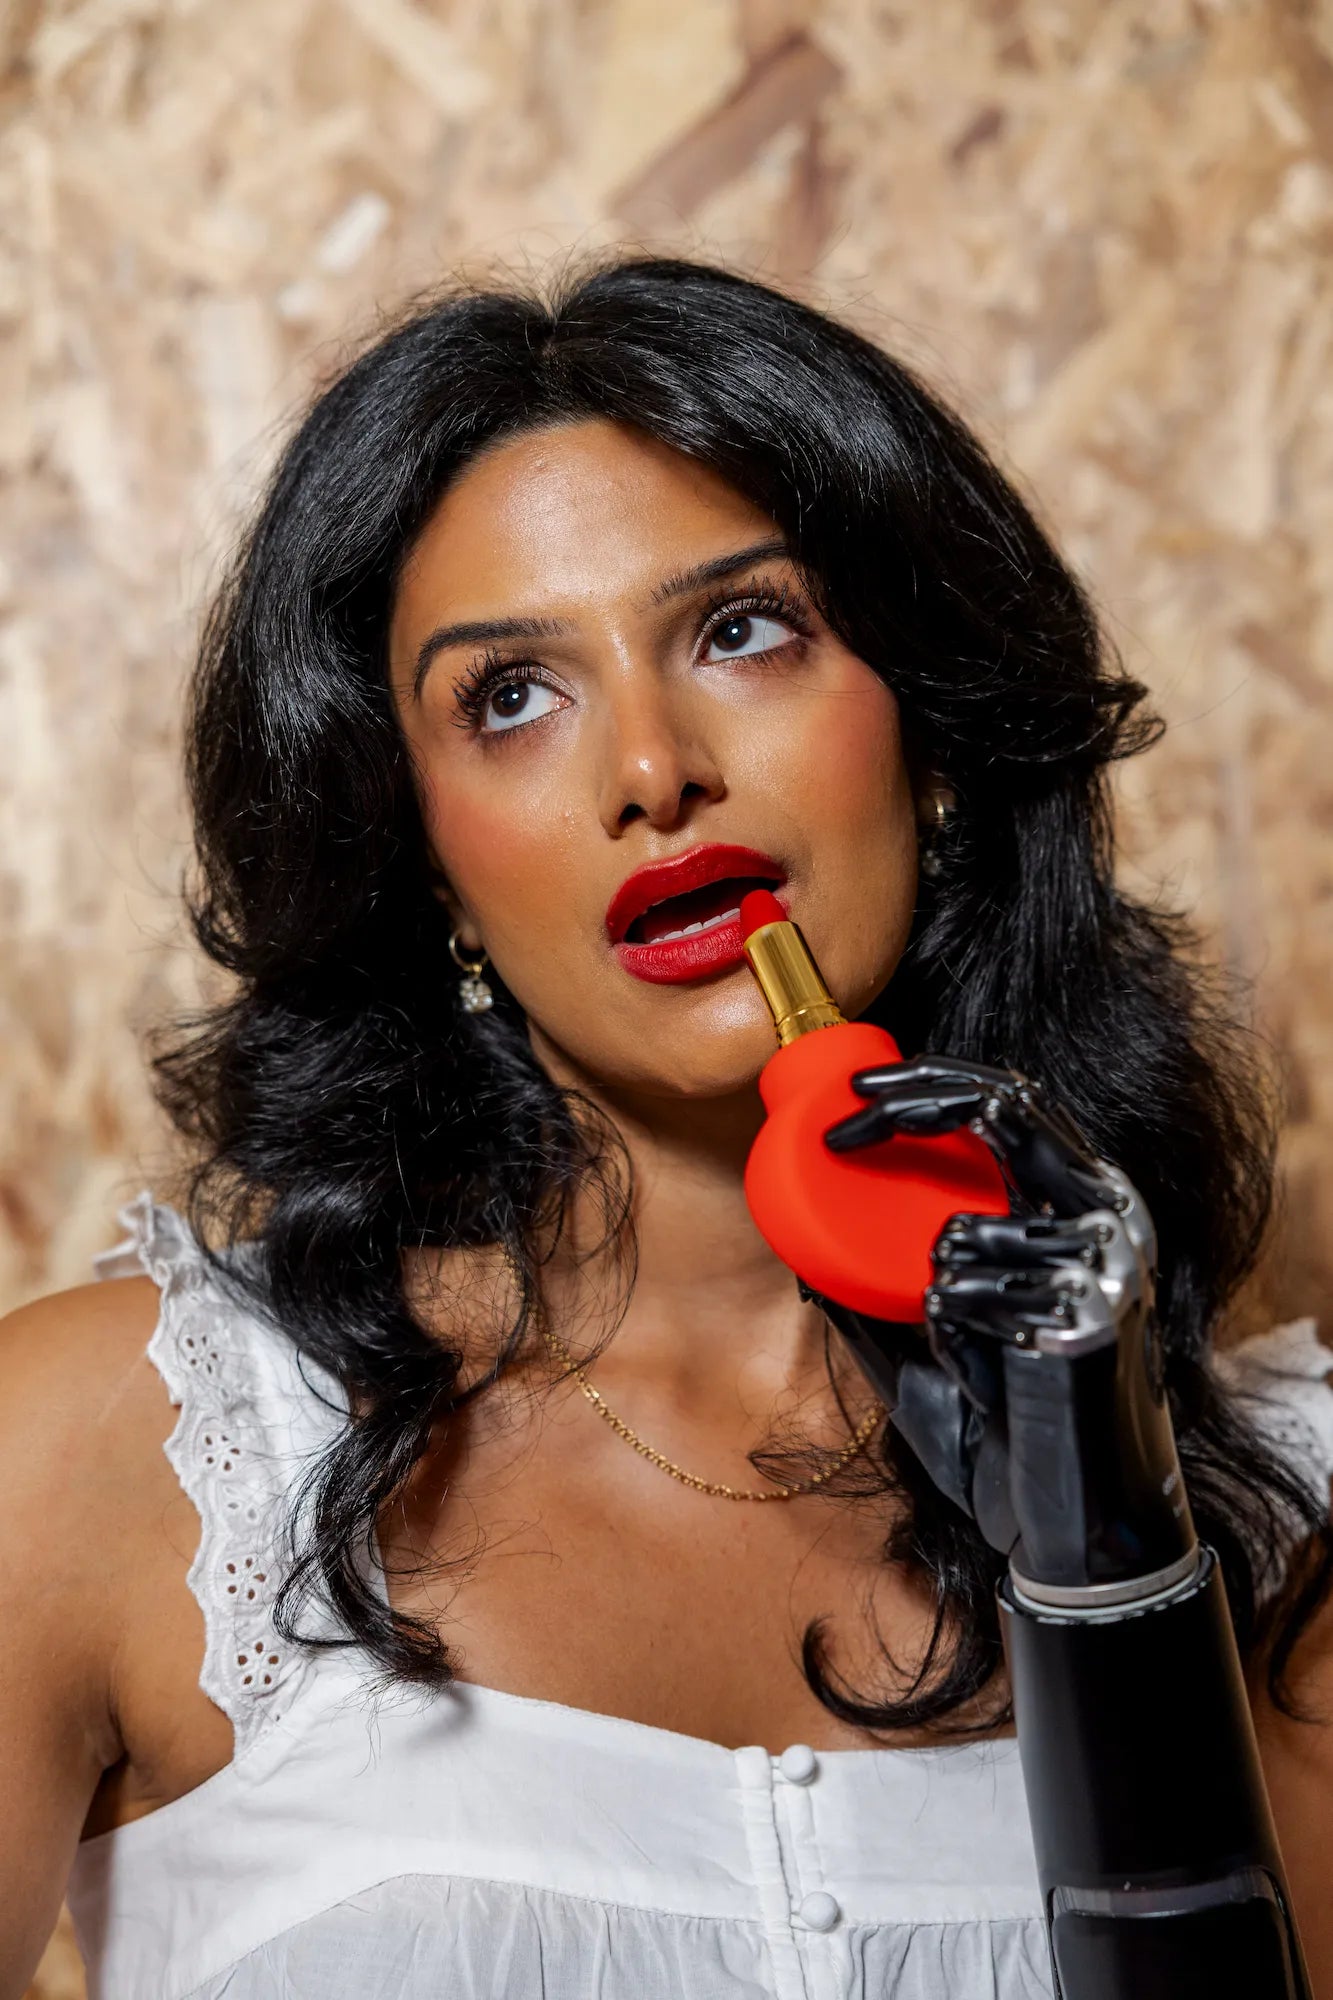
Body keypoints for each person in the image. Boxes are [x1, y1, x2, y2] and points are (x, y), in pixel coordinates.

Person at [2, 255, 1331, 2000]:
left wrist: (1113, 1571)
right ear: (424, 859)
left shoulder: (1275, 1515)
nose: (651, 768)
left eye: (741, 631)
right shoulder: (116, 1450)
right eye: (509, 695)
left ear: (926, 730)